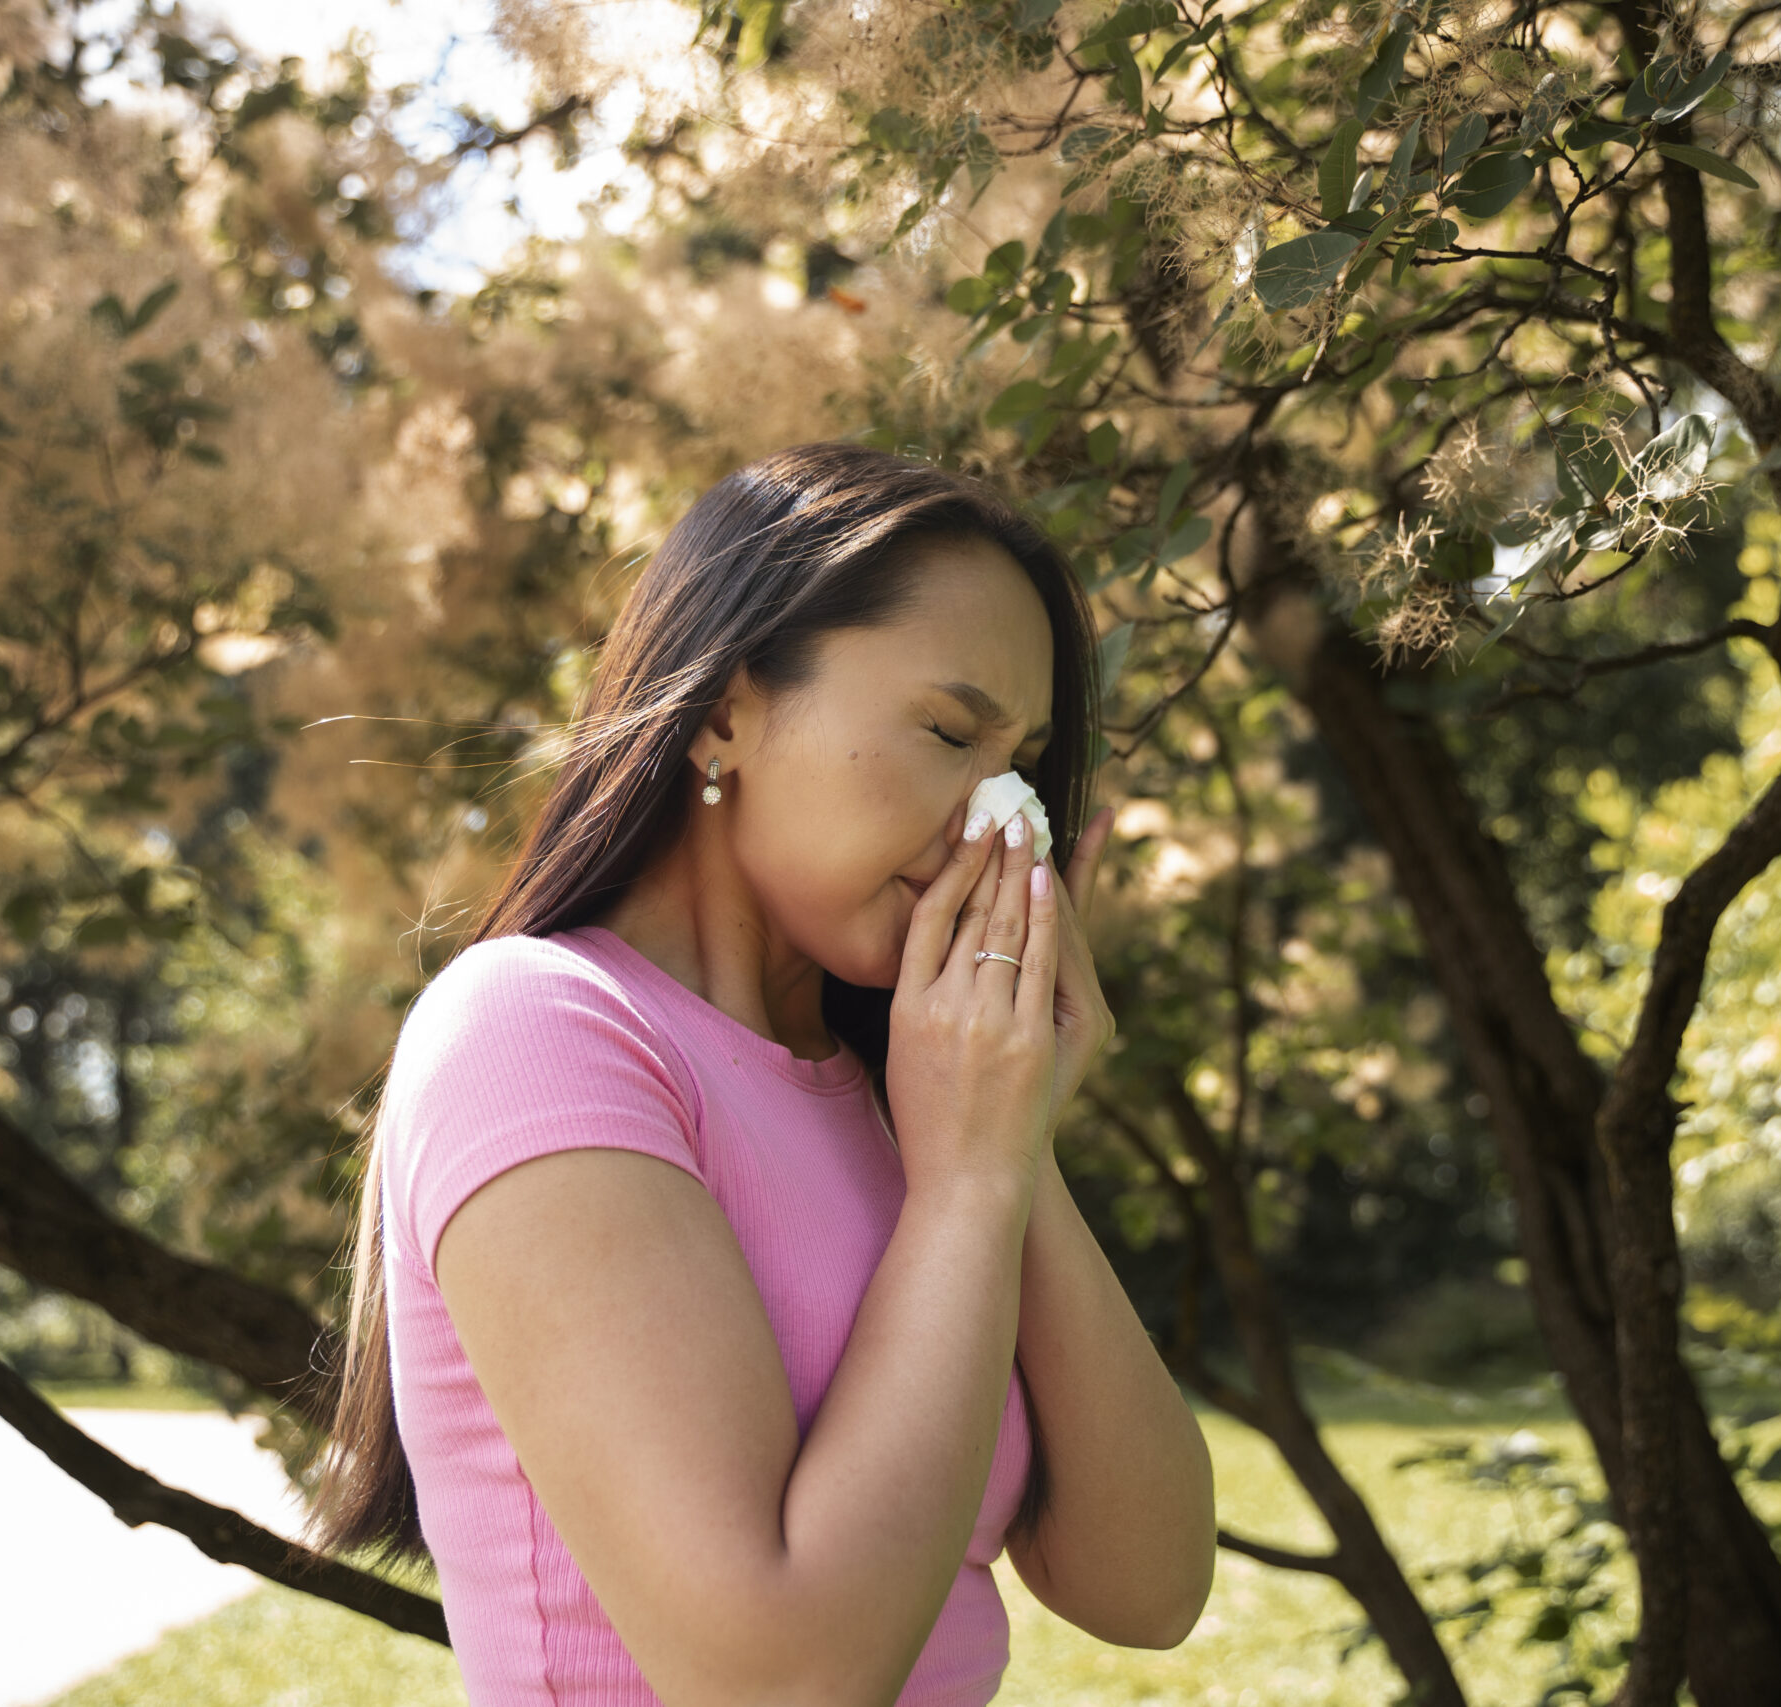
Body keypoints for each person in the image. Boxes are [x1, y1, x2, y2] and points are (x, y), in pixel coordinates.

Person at [306, 441, 1217, 1705]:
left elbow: (1147, 1586)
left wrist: (1011, 1148)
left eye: (1023, 764)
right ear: (727, 708)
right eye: (952, 730)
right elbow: (778, 1680)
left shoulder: (910, 1103)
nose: (1001, 817)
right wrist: (961, 1185)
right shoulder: (538, 1030)